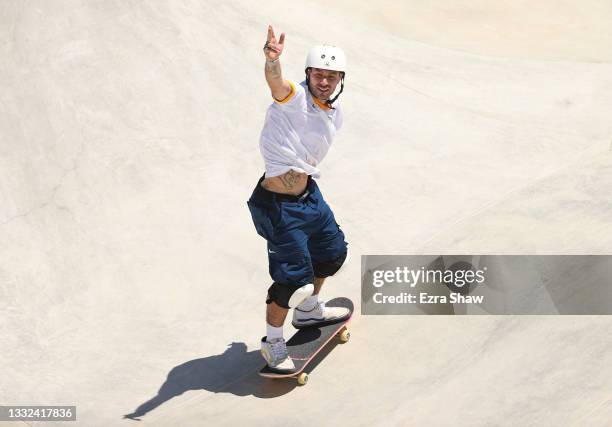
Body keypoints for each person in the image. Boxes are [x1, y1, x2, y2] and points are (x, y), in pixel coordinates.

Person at [246, 25, 350, 372]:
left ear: (339, 80)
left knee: (332, 254)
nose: (325, 81)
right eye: (319, 74)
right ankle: (272, 342)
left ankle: (309, 311)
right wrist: (272, 61)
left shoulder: (333, 112)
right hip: (278, 207)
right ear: (309, 74)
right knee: (293, 282)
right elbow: (277, 84)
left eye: (332, 76)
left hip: (309, 198)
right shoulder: (294, 98)